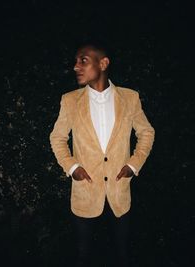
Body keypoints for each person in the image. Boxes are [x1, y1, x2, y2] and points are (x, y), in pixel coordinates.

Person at [49, 40, 155, 266]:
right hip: (85, 194)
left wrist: (134, 164)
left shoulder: (130, 98)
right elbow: (57, 138)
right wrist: (72, 167)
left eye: (83, 61)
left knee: (122, 253)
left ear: (103, 63)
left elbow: (146, 132)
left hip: (120, 194)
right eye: (76, 61)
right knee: (83, 254)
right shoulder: (70, 101)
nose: (75, 66)